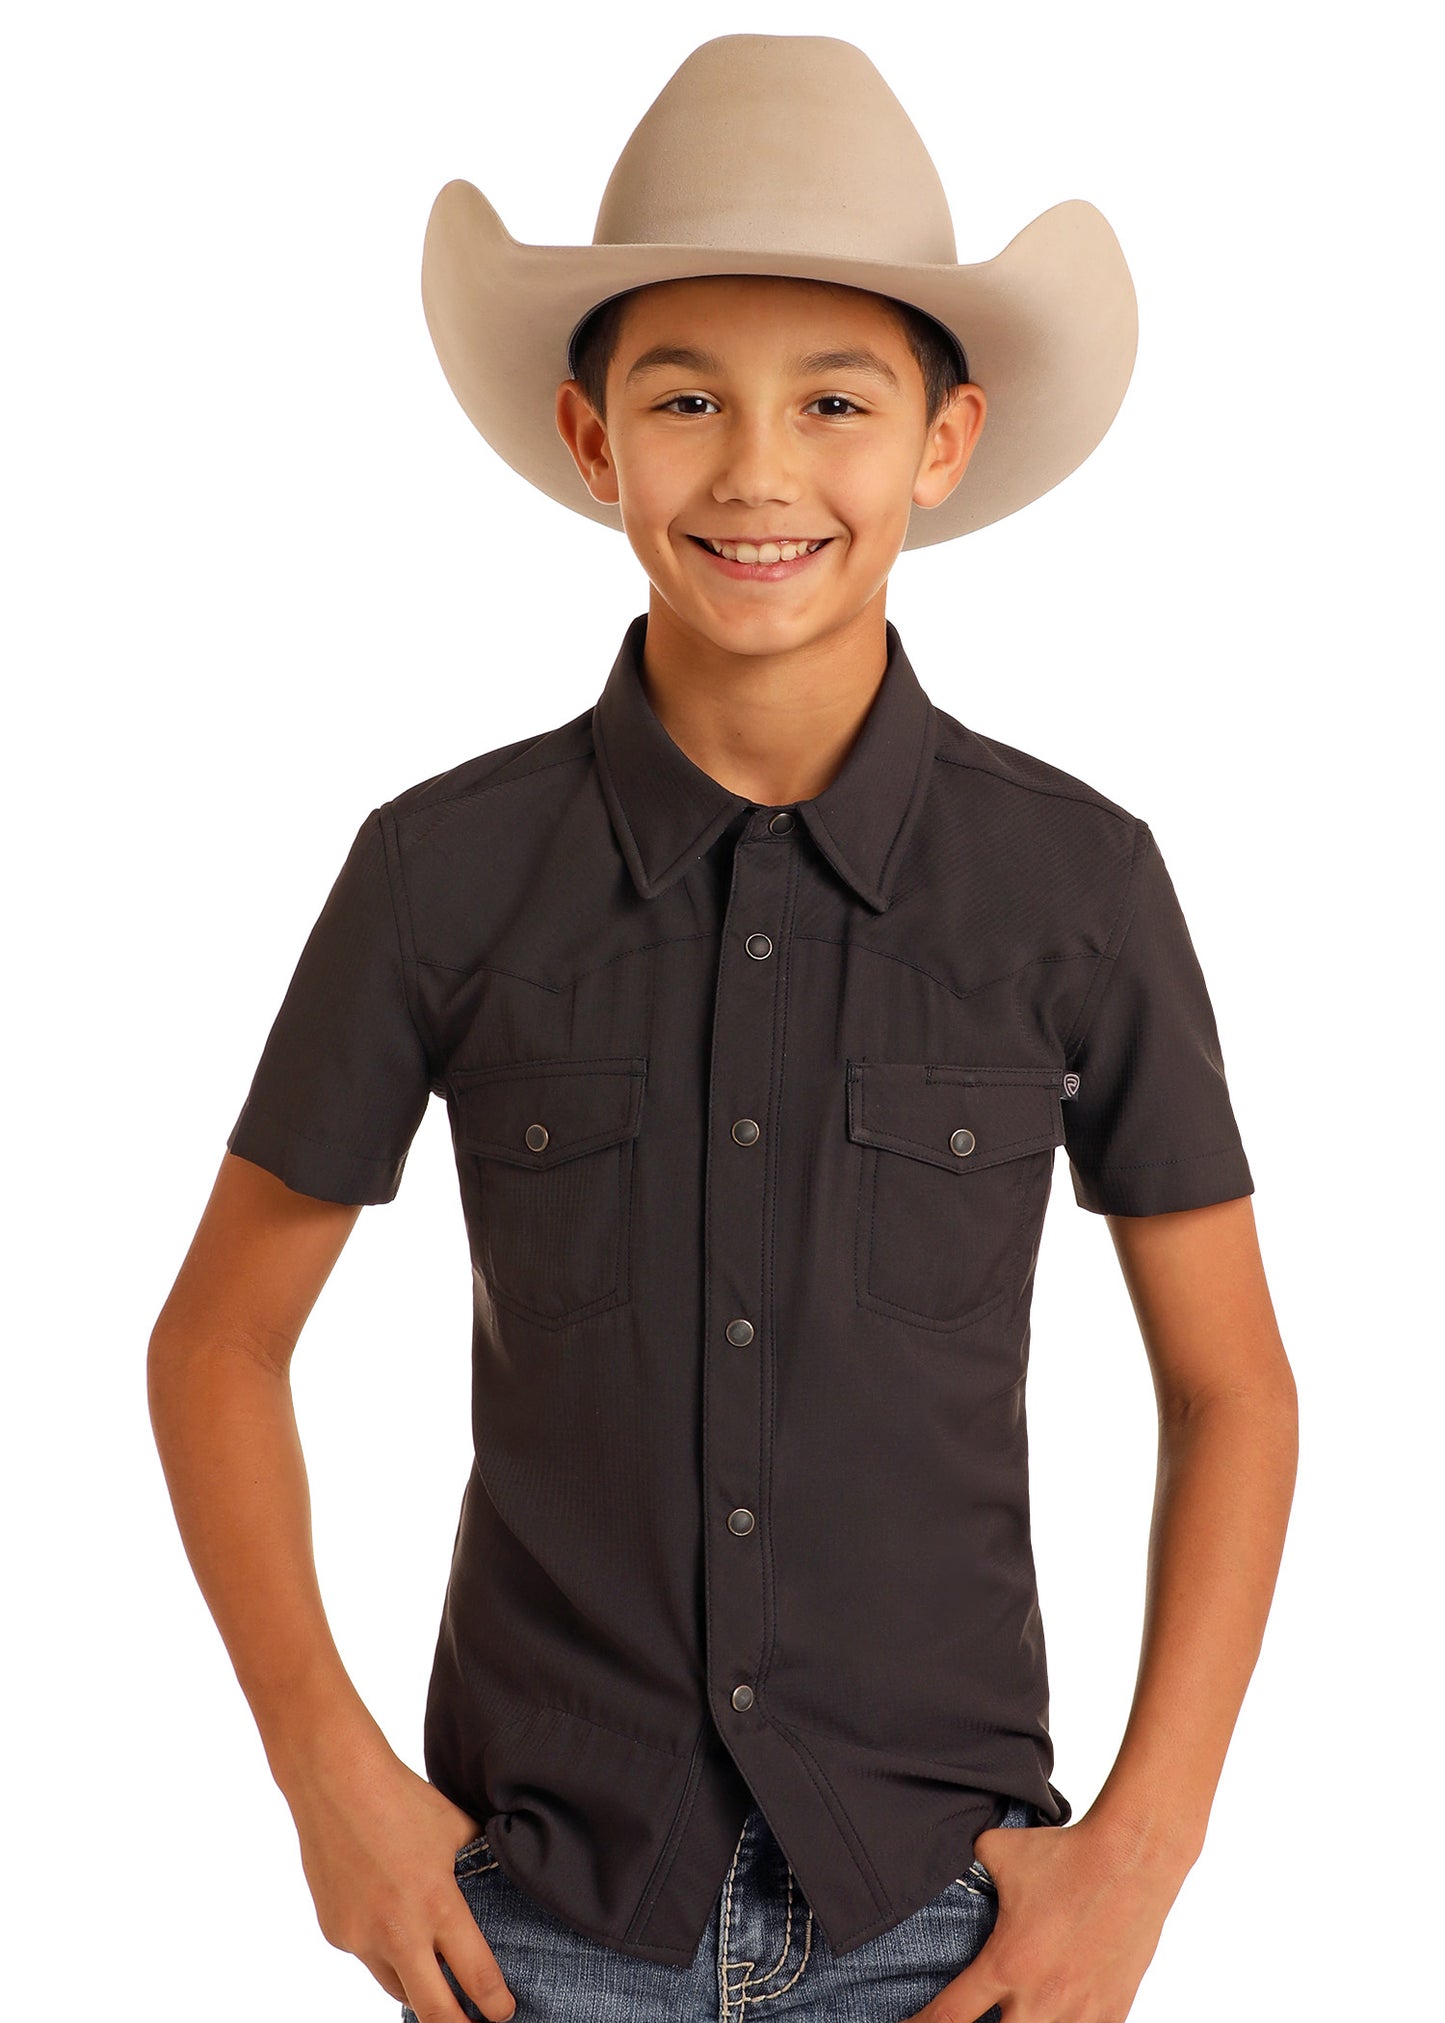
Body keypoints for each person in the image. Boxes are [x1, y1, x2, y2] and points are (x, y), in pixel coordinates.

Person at [148, 34, 1298, 2023]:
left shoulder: (1076, 885)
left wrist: (1146, 1848)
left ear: (944, 437)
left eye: (835, 400)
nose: (759, 470)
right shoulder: (442, 870)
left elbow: (1237, 1390)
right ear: (596, 438)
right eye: (687, 399)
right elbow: (218, 1339)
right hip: (533, 1916)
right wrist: (326, 1775)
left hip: (945, 1924)